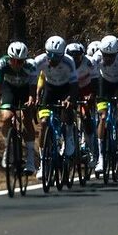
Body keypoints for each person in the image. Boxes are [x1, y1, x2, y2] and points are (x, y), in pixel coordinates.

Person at [32, 36, 79, 179]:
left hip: (66, 89)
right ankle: (42, 164)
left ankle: (69, 136)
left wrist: (69, 99)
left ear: (63, 54)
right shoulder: (39, 61)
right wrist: (34, 96)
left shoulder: (69, 62)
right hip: (50, 90)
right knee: (44, 122)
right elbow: (32, 80)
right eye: (49, 55)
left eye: (56, 56)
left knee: (67, 112)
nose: (52, 59)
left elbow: (74, 85)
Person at [0, 42, 38, 174]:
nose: (16, 64)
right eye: (13, 60)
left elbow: (33, 90)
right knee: (6, 118)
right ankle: (8, 148)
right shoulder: (3, 63)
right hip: (9, 89)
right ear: (9, 58)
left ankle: (30, 160)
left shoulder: (31, 66)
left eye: (20, 61)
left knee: (26, 118)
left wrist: (31, 99)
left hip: (25, 90)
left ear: (25, 60)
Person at [92, 35, 118, 173]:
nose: (108, 58)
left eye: (111, 56)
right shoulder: (96, 58)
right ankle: (101, 158)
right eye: (105, 55)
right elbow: (91, 79)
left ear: (117, 53)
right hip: (104, 82)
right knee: (103, 118)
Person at [66, 42, 99, 166]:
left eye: (78, 57)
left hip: (85, 88)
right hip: (70, 89)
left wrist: (92, 94)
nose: (75, 59)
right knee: (66, 112)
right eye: (72, 56)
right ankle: (66, 140)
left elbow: (95, 80)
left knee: (85, 116)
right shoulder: (65, 63)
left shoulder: (89, 62)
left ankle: (91, 150)